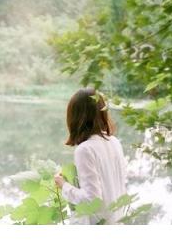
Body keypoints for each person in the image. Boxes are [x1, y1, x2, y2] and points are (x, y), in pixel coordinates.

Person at [54, 88, 127, 224]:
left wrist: (64, 186)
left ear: (75, 117)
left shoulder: (85, 150)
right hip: (116, 221)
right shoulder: (114, 142)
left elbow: (92, 200)